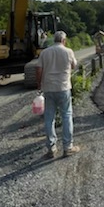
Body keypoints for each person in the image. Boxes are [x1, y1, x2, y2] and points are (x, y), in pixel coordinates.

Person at [36, 30, 80, 159]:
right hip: (63, 87)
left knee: (49, 117)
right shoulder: (68, 51)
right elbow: (73, 66)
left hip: (48, 88)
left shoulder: (45, 53)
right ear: (64, 40)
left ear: (54, 40)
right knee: (66, 115)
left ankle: (51, 148)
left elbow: (38, 69)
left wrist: (39, 85)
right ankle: (68, 147)